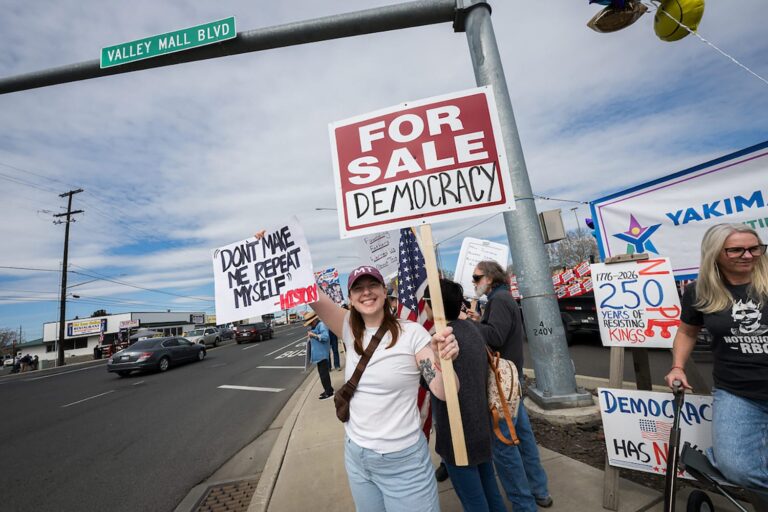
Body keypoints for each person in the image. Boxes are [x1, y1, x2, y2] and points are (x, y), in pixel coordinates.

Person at [308, 264, 459, 512]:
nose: (366, 292)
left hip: (403, 461)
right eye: (358, 288)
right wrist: (272, 250)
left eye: (372, 285)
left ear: (384, 291)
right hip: (357, 456)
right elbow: (307, 291)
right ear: (351, 299)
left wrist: (444, 361)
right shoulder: (347, 328)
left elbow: (443, 391)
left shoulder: (412, 333)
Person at [664, 223, 768, 504]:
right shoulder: (699, 291)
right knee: (737, 469)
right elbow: (687, 331)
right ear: (715, 253)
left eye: (754, 248)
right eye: (736, 250)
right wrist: (677, 366)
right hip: (737, 392)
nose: (748, 255)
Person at [467, 260, 553, 510]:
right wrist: (480, 320)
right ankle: (539, 490)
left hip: (503, 386)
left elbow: (495, 337)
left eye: (477, 277)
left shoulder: (500, 300)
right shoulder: (501, 299)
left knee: (504, 447)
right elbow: (496, 331)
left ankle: (524, 504)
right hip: (511, 383)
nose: (474, 282)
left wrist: (471, 324)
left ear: (491, 278)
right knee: (523, 439)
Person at [425, 279, 507, 512]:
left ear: (433, 306)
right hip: (482, 427)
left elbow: (429, 383)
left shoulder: (442, 341)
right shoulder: (472, 329)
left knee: (474, 502)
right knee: (491, 493)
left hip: (458, 434)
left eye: (426, 302)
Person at [303, 311, 335, 400]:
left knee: (324, 374)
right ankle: (328, 389)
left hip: (322, 354)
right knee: (322, 374)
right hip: (319, 354)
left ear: (314, 320)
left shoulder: (321, 325)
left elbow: (325, 337)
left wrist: (314, 335)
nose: (310, 325)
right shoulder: (317, 326)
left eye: (310, 323)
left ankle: (329, 392)